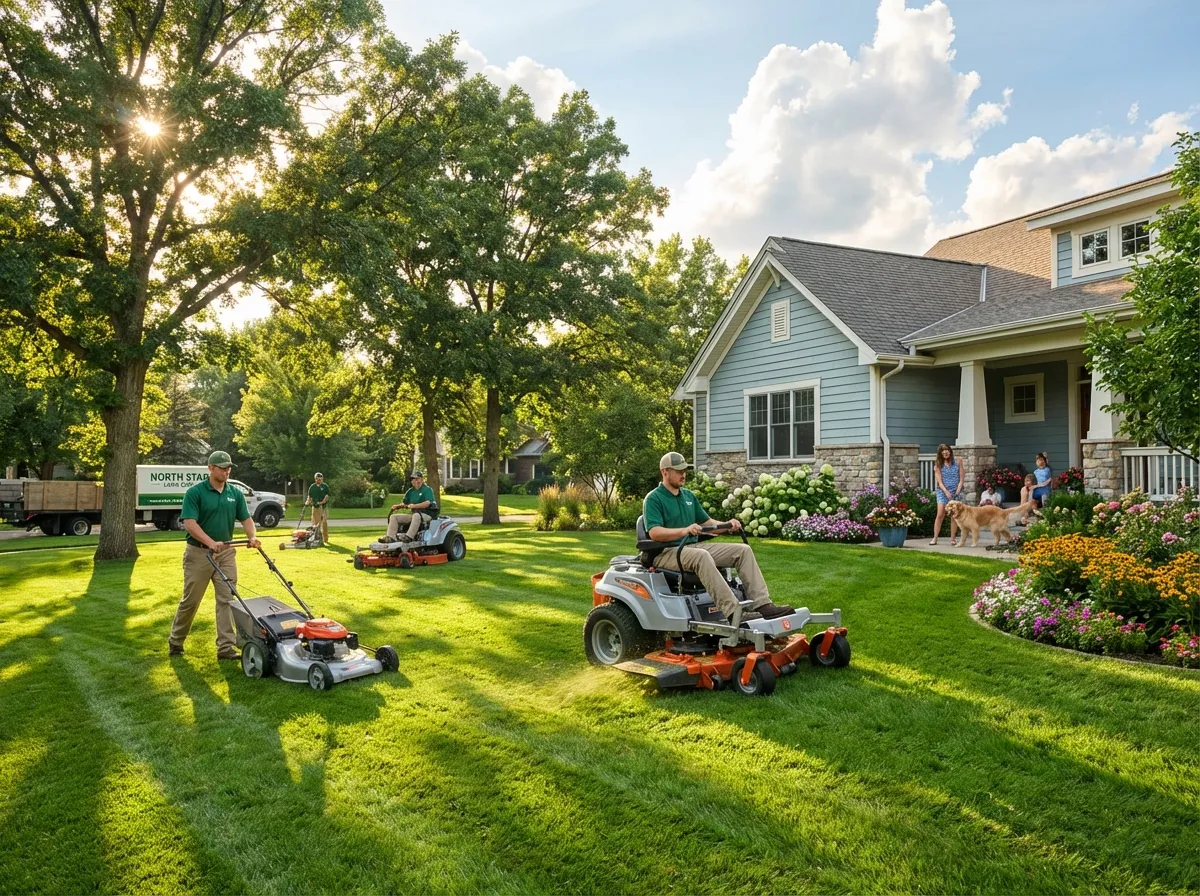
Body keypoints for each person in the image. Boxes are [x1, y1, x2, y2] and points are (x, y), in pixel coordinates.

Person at [644, 452, 793, 627]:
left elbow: (708, 522)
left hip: (692, 547)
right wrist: (684, 530)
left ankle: (763, 605)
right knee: (701, 556)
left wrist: (727, 525)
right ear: (665, 472)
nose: (683, 474)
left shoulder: (688, 496)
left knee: (742, 551)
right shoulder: (654, 498)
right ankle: (733, 613)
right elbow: (654, 532)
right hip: (666, 552)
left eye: (685, 470)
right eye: (678, 471)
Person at [168, 450, 261, 660]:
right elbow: (190, 524)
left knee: (227, 599)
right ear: (210, 468)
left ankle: (226, 647)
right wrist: (210, 543)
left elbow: (246, 519)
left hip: (226, 553)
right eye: (222, 467)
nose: (227, 471)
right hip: (198, 554)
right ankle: (176, 640)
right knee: (191, 601)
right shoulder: (196, 492)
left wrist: (252, 537)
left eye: (229, 467)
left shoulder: (234, 493)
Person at [380, 471, 435, 544]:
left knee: (416, 515)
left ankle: (409, 537)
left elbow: (427, 503)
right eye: (413, 479)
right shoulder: (410, 491)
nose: (415, 481)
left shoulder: (427, 490)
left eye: (417, 479)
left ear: (421, 479)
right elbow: (405, 503)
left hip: (427, 514)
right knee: (394, 517)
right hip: (414, 515)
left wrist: (414, 506)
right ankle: (391, 537)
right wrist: (398, 506)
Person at [930, 443, 963, 546]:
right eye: (943, 450)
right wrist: (946, 491)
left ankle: (953, 539)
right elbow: (939, 482)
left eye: (947, 450)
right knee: (940, 514)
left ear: (950, 451)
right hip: (943, 491)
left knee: (954, 516)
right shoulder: (938, 465)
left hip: (956, 492)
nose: (945, 452)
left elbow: (961, 478)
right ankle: (935, 538)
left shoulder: (958, 462)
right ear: (940, 453)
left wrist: (958, 489)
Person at [306, 472, 331, 544]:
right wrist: (308, 501)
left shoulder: (325, 486)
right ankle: (317, 539)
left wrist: (322, 502)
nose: (319, 480)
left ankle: (325, 539)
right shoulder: (312, 487)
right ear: (315, 479)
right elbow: (309, 496)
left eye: (321, 479)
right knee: (316, 524)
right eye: (318, 479)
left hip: (323, 507)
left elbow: (327, 497)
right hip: (315, 507)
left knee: (324, 522)